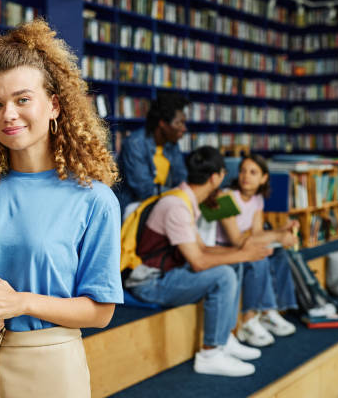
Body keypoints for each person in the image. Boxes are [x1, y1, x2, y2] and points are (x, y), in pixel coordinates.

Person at [0, 19, 123, 398]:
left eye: (22, 99)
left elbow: (101, 311)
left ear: (54, 106)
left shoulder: (94, 200)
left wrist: (20, 303)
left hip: (47, 365)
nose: (8, 114)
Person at [125, 146, 273, 377]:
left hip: (169, 270)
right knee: (223, 275)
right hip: (150, 282)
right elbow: (198, 262)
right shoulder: (177, 206)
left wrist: (239, 251)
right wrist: (244, 253)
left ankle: (225, 338)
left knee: (233, 263)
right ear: (215, 177)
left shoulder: (185, 198)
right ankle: (210, 354)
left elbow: (202, 248)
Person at [217, 154, 299, 347]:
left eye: (253, 172)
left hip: (241, 242)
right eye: (243, 171)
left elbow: (257, 233)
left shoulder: (257, 199)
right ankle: (248, 319)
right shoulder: (226, 197)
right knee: (258, 256)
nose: (246, 176)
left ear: (263, 178)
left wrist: (281, 231)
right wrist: (276, 236)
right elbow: (236, 240)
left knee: (279, 253)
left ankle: (270, 311)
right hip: (222, 247)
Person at [115, 93, 189, 215]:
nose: (184, 128)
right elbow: (145, 190)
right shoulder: (135, 144)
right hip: (134, 207)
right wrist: (180, 193)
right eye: (179, 123)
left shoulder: (171, 144)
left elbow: (181, 178)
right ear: (162, 124)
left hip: (161, 203)